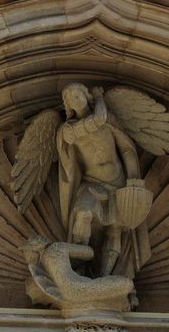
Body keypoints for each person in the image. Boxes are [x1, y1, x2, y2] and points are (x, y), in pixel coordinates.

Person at [57, 83, 150, 278]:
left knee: (115, 230)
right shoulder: (68, 130)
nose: (77, 99)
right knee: (82, 213)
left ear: (86, 95)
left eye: (79, 94)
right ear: (68, 105)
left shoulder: (109, 121)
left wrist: (133, 178)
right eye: (71, 98)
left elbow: (126, 148)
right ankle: (77, 268)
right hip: (92, 182)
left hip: (117, 182)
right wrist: (99, 99)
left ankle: (105, 276)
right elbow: (97, 120)